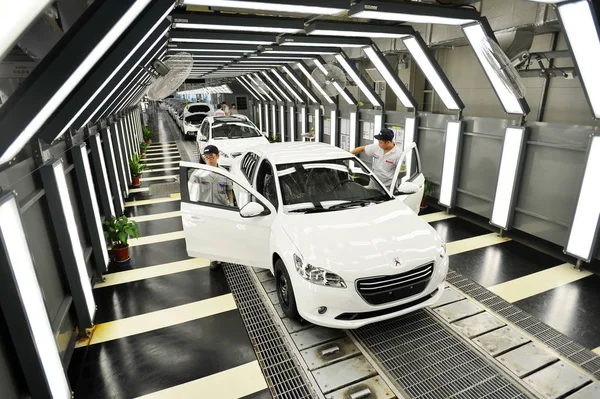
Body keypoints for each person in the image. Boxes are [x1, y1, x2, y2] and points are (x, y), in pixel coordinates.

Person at [188, 145, 234, 270]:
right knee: (209, 235)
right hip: (206, 211)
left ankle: (222, 255)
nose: (209, 160)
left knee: (221, 234)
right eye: (206, 157)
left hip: (222, 210)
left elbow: (229, 191)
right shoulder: (198, 174)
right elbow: (191, 190)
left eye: (211, 157)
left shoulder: (225, 173)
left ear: (218, 156)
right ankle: (213, 259)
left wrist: (231, 205)